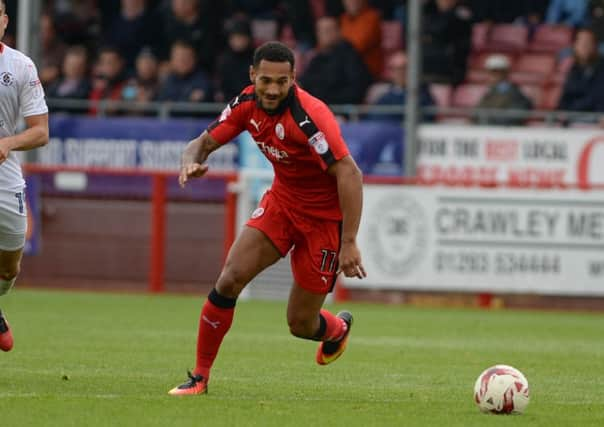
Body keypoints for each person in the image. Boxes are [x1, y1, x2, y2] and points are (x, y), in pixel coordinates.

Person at [169, 41, 366, 395]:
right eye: (265, 81)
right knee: (230, 278)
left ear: (293, 78)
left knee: (300, 323)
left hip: (323, 222)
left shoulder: (311, 117)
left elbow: (350, 174)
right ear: (252, 77)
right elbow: (198, 144)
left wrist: (349, 242)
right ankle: (199, 377)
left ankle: (336, 330)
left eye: (281, 81)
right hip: (282, 204)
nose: (273, 89)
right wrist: (189, 162)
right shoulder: (245, 104)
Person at [0, 0, 50, 352]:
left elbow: (40, 131)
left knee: (8, 269)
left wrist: (8, 143)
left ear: (3, 21)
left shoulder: (19, 65)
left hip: (4, 175)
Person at [298, 16, 371, 105]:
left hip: (342, 110)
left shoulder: (349, 55)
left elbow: (356, 89)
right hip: (319, 107)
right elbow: (305, 82)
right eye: (320, 30)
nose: (324, 34)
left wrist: (323, 98)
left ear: (339, 32)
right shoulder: (318, 58)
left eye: (328, 30)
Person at [366, 50, 435, 122]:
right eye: (394, 69)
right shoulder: (384, 94)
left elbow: (426, 118)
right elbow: (371, 117)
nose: (399, 73)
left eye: (403, 68)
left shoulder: (422, 94)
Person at [475, 54, 532, 126]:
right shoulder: (489, 92)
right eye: (490, 72)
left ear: (505, 72)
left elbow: (514, 116)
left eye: (496, 72)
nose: (491, 75)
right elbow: (477, 113)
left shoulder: (516, 94)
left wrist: (490, 121)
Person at [558, 28, 604, 112]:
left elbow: (598, 98)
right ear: (574, 46)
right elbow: (565, 100)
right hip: (574, 119)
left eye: (588, 43)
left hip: (597, 119)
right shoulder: (574, 70)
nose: (584, 46)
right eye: (580, 43)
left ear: (596, 46)